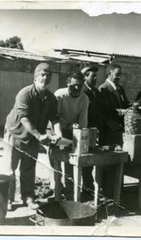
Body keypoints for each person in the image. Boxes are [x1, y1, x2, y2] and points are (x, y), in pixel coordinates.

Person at [4, 63, 62, 210]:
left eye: (48, 75)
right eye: (42, 75)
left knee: (28, 168)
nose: (45, 78)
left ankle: (28, 197)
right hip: (15, 134)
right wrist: (39, 135)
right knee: (10, 168)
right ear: (35, 77)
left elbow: (55, 118)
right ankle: (7, 200)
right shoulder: (24, 94)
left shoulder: (51, 98)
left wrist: (59, 134)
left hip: (33, 138)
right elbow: (24, 118)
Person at [54, 71, 89, 200]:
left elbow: (83, 121)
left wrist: (81, 135)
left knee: (70, 162)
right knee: (55, 161)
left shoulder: (84, 98)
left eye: (80, 85)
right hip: (56, 128)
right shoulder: (60, 95)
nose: (77, 88)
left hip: (72, 131)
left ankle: (69, 191)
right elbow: (54, 117)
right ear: (68, 83)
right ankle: (56, 191)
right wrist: (67, 126)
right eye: (73, 85)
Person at [98, 63, 129, 145]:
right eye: (117, 75)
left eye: (120, 75)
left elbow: (125, 103)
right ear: (109, 73)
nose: (119, 77)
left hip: (119, 128)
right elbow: (104, 110)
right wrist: (121, 111)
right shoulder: (103, 88)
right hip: (109, 129)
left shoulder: (120, 88)